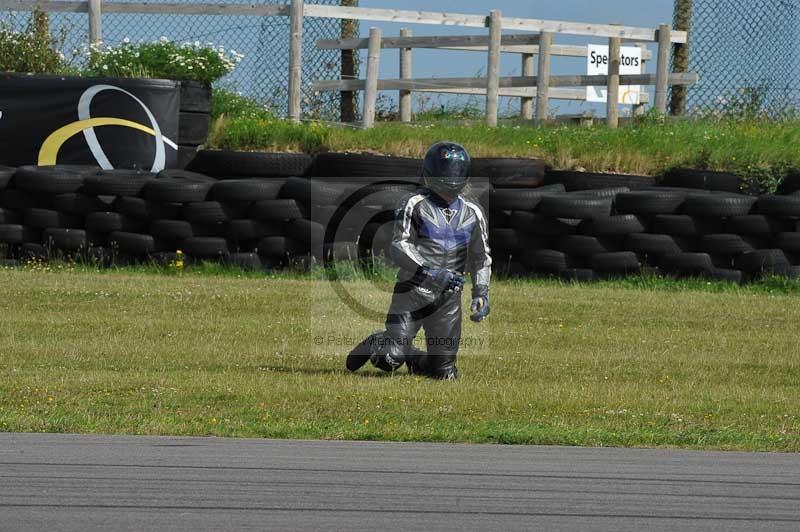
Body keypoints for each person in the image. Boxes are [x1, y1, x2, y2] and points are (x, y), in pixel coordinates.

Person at [346, 141, 492, 380]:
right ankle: (380, 342)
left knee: (443, 374)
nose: (450, 180)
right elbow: (399, 244)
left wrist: (481, 293)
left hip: (448, 300)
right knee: (390, 358)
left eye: (456, 174)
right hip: (412, 293)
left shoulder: (473, 212)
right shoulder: (414, 203)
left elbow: (481, 257)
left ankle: (414, 358)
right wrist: (429, 271)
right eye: (446, 174)